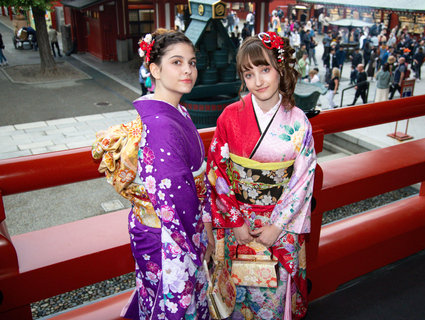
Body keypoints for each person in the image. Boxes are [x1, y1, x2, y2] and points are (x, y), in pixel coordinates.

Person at [92, 29, 213, 320]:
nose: (188, 69)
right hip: (169, 235)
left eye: (192, 62)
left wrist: (205, 223)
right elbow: (176, 199)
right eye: (176, 62)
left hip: (172, 228)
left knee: (164, 302)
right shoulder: (161, 124)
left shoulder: (176, 113)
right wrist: (200, 241)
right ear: (155, 70)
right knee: (170, 305)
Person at [207, 31, 316, 320]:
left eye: (265, 69)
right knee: (238, 291)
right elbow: (218, 171)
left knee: (274, 295)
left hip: (278, 227)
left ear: (280, 68)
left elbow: (302, 180)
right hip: (238, 225)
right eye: (249, 73)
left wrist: (277, 226)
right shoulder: (229, 116)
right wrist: (235, 222)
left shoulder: (298, 122)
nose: (258, 81)